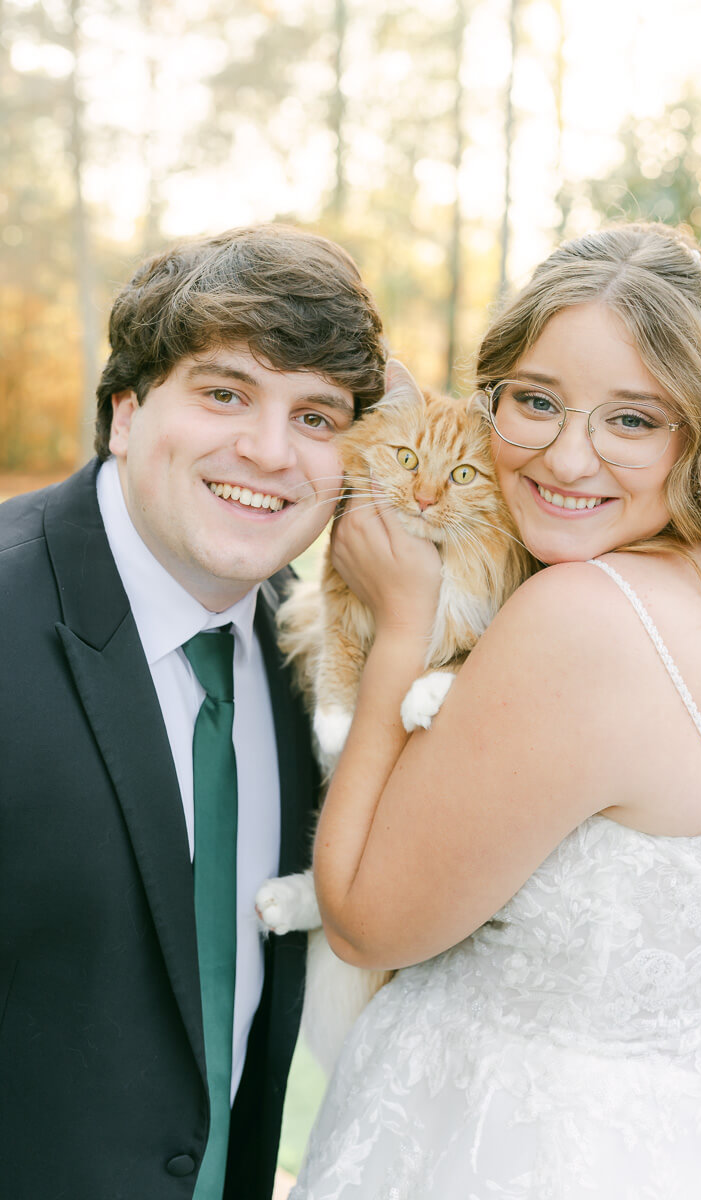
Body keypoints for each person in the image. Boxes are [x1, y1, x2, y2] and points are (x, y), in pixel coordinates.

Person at [287, 223, 701, 1198]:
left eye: (630, 420)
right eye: (533, 403)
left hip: (499, 1150)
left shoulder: (580, 619)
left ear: (700, 429)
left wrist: (400, 631)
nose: (567, 459)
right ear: (488, 396)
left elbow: (362, 920)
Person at [0, 224, 385, 1200]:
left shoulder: (317, 656)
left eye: (317, 416)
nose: (267, 451)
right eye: (224, 393)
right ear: (125, 412)